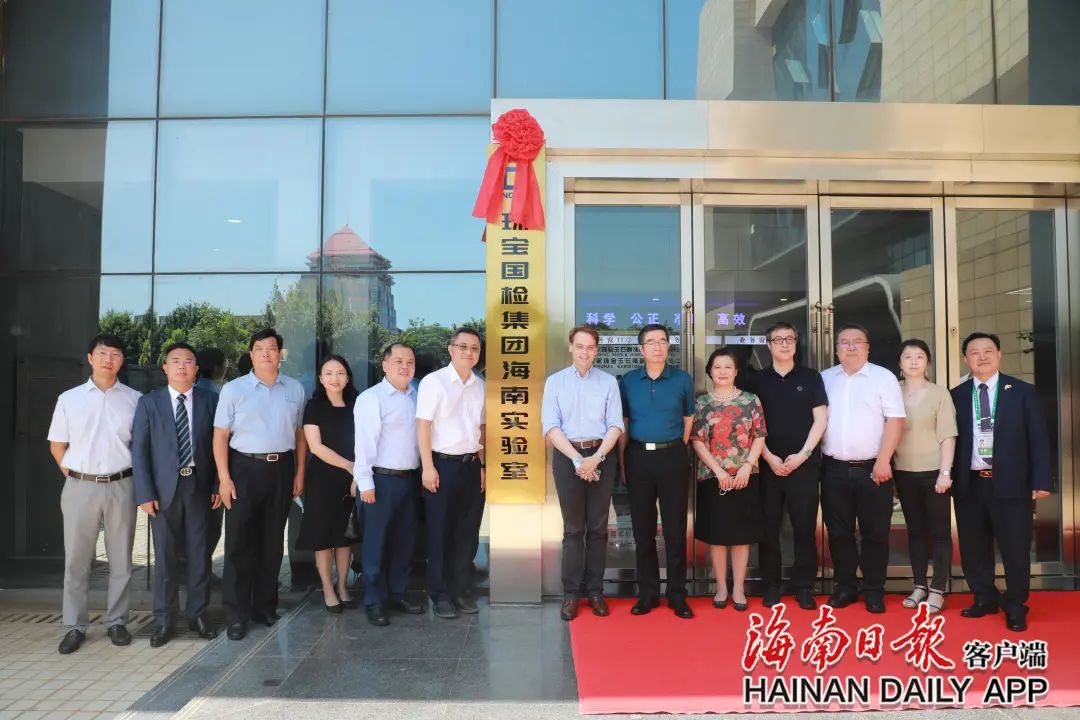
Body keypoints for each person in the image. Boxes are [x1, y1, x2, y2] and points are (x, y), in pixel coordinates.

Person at [47, 334, 142, 655]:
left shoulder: (135, 400)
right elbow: (57, 445)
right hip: (80, 486)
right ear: (90, 358)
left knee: (121, 560)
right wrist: (77, 475)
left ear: (122, 361)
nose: (108, 360)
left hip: (122, 485)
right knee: (76, 560)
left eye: (115, 354)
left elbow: (140, 446)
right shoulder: (69, 399)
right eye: (102, 353)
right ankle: (74, 626)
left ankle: (117, 621)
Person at [951, 332, 1052, 632]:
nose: (981, 357)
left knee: (1015, 547)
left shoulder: (1022, 392)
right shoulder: (956, 395)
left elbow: (1038, 438)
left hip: (1012, 483)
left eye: (988, 350)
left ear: (999, 354)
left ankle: (1016, 604)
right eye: (974, 352)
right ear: (966, 359)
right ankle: (984, 597)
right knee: (973, 546)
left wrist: (1041, 479)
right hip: (970, 483)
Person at [213, 328, 308, 640]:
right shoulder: (234, 389)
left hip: (281, 468)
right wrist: (224, 478)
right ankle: (236, 615)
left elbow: (299, 435)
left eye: (271, 348)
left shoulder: (294, 389)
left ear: (281, 354)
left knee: (271, 542)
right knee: (239, 544)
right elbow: (220, 436)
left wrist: (299, 473)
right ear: (251, 354)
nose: (266, 353)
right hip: (243, 468)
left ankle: (265, 607)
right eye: (259, 348)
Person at [132, 342, 221, 647]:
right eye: (175, 361)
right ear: (165, 367)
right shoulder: (149, 403)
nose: (182, 366)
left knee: (200, 554)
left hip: (200, 486)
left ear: (196, 369)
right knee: (166, 557)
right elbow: (140, 451)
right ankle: (164, 619)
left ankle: (198, 614)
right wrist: (144, 493)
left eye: (188, 361)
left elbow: (220, 447)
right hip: (163, 490)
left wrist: (217, 484)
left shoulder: (211, 401)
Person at [820, 324, 905, 614]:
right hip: (833, 469)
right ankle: (845, 586)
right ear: (836, 349)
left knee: (875, 533)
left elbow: (895, 421)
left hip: (873, 467)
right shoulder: (825, 379)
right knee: (838, 532)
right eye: (844, 342)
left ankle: (873, 589)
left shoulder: (883, 378)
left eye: (857, 341)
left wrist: (884, 460)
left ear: (868, 347)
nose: (851, 347)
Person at [541, 326, 624, 621]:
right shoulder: (555, 382)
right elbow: (551, 426)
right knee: (573, 529)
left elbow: (615, 424)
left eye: (590, 347)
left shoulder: (608, 382)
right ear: (571, 347)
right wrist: (579, 460)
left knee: (599, 528)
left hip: (602, 455)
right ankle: (571, 594)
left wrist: (596, 458)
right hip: (568, 458)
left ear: (596, 350)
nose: (584, 352)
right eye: (580, 346)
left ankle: (596, 591)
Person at [618, 323, 696, 619]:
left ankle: (677, 594)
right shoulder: (629, 381)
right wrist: (624, 462)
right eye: (651, 342)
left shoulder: (682, 379)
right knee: (643, 530)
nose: (657, 346)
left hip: (672, 456)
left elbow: (688, 419)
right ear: (641, 349)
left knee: (675, 530)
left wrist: (676, 447)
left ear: (668, 346)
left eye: (662, 341)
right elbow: (625, 424)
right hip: (638, 457)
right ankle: (647, 594)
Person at [748, 322, 828, 610]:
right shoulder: (756, 380)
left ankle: (804, 585)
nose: (784, 344)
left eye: (789, 339)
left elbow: (821, 419)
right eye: (778, 339)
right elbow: (751, 425)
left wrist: (803, 455)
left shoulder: (811, 377)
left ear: (796, 343)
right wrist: (768, 457)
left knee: (804, 527)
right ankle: (771, 584)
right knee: (769, 528)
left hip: (803, 466)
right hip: (767, 465)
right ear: (768, 345)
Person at [354, 343, 426, 626]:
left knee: (404, 541)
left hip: (410, 479)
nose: (405, 366)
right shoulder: (372, 398)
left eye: (410, 362)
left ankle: (398, 593)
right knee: (376, 543)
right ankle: (374, 601)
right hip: (380, 480)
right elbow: (364, 444)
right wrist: (365, 483)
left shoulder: (417, 396)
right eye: (398, 361)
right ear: (384, 365)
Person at [416, 327, 486, 619]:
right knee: (440, 532)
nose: (469, 352)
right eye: (463, 347)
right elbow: (423, 424)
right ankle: (440, 594)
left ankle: (460, 590)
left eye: (474, 348)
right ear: (451, 349)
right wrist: (428, 466)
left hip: (471, 466)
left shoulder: (480, 385)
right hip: (441, 465)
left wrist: (483, 466)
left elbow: (482, 428)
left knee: (466, 533)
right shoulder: (434, 382)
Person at [692, 348, 767, 612]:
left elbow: (760, 435)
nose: (722, 371)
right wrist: (719, 471)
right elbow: (697, 440)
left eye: (727, 367)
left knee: (741, 536)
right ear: (710, 372)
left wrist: (747, 466)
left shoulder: (750, 400)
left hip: (745, 476)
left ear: (736, 371)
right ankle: (721, 587)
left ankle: (738, 588)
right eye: (717, 367)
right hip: (713, 478)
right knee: (718, 536)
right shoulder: (701, 403)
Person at [893, 339, 957, 614]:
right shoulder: (892, 391)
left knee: (940, 533)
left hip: (934, 473)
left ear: (927, 362)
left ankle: (938, 589)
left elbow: (948, 436)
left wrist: (945, 472)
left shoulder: (939, 394)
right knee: (916, 532)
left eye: (920, 356)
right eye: (908, 357)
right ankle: (919, 585)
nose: (914, 361)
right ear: (900, 363)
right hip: (903, 472)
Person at [295, 355, 358, 614]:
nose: (335, 378)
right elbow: (316, 447)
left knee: (344, 537)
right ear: (321, 379)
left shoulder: (357, 404)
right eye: (329, 373)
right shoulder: (314, 407)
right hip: (322, 478)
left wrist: (357, 473)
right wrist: (349, 465)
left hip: (352, 479)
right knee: (323, 538)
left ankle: (342, 586)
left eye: (340, 373)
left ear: (348, 377)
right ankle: (328, 589)